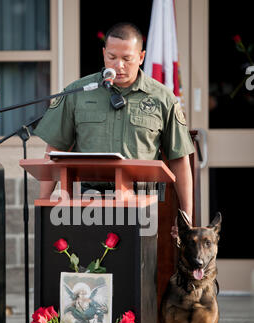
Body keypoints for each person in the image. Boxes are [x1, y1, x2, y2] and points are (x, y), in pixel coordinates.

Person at [34, 22, 194, 232]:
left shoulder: (162, 99)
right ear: (103, 54)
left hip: (141, 202)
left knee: (135, 264)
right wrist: (43, 207)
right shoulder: (78, 93)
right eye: (112, 57)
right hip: (87, 201)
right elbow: (53, 151)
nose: (119, 65)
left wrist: (186, 216)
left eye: (127, 59)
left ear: (141, 57)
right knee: (89, 263)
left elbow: (179, 160)